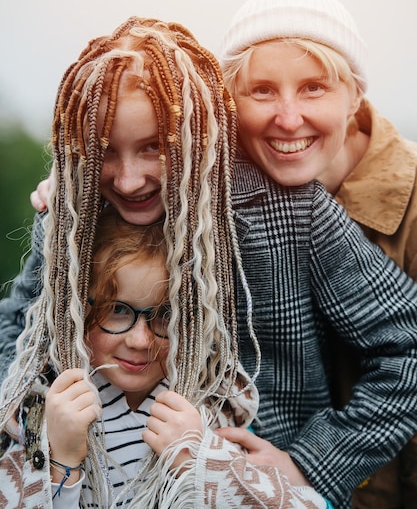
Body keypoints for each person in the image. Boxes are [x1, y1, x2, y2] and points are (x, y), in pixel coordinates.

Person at [3, 16, 417, 508]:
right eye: (106, 151)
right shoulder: (73, 213)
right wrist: (40, 433)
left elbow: (406, 350)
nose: (130, 180)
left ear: (195, 132)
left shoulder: (286, 210)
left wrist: (310, 464)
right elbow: (16, 332)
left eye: (155, 147)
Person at [218, 0, 417, 509]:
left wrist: (311, 462)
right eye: (261, 90)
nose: (288, 118)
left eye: (314, 88)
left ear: (355, 95)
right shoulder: (227, 192)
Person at [1, 205, 328, 508]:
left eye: (164, 314)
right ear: (76, 308)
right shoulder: (44, 405)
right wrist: (60, 463)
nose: (141, 340)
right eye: (116, 309)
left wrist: (198, 460)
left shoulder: (212, 404)